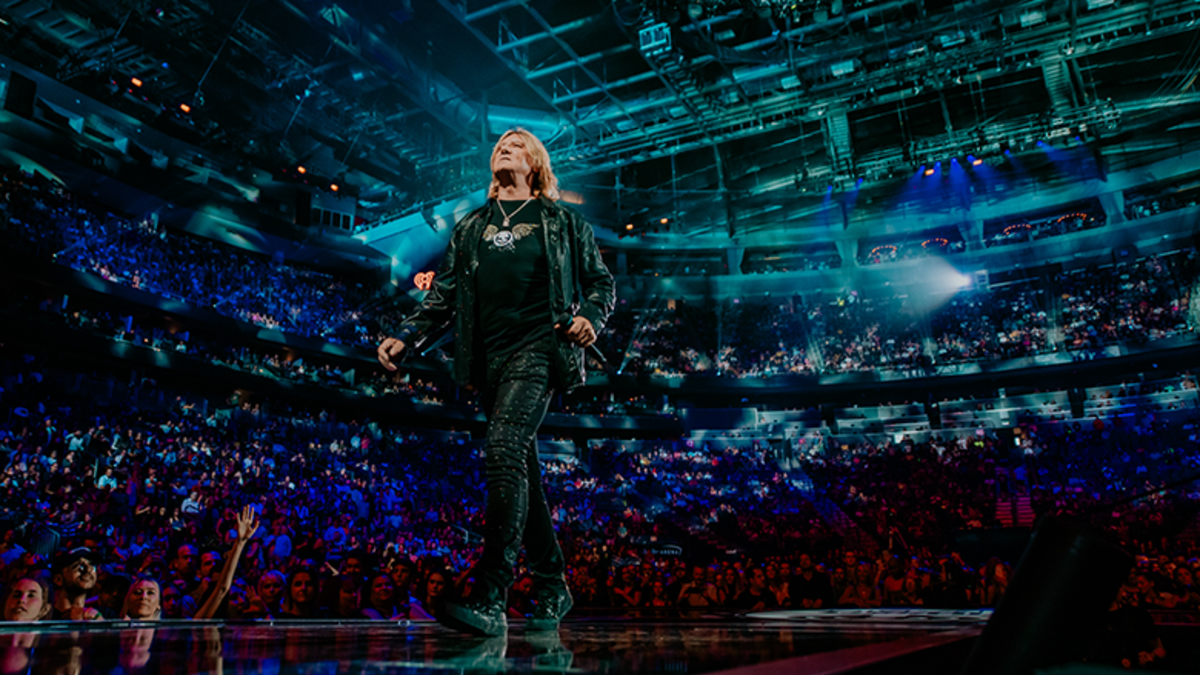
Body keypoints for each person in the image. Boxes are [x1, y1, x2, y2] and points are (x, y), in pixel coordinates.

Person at [378, 128, 615, 636]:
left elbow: (601, 283)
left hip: (540, 351)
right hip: (487, 363)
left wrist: (590, 317)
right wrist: (406, 336)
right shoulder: (471, 227)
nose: (504, 147)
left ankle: (491, 594)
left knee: (503, 450)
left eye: (517, 144)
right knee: (521, 469)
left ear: (536, 164)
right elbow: (442, 297)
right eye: (500, 144)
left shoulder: (563, 222)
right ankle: (552, 584)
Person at [50, 549, 101, 620]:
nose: (88, 570)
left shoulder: (101, 614)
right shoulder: (44, 615)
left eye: (92, 566)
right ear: (58, 579)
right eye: (80, 567)